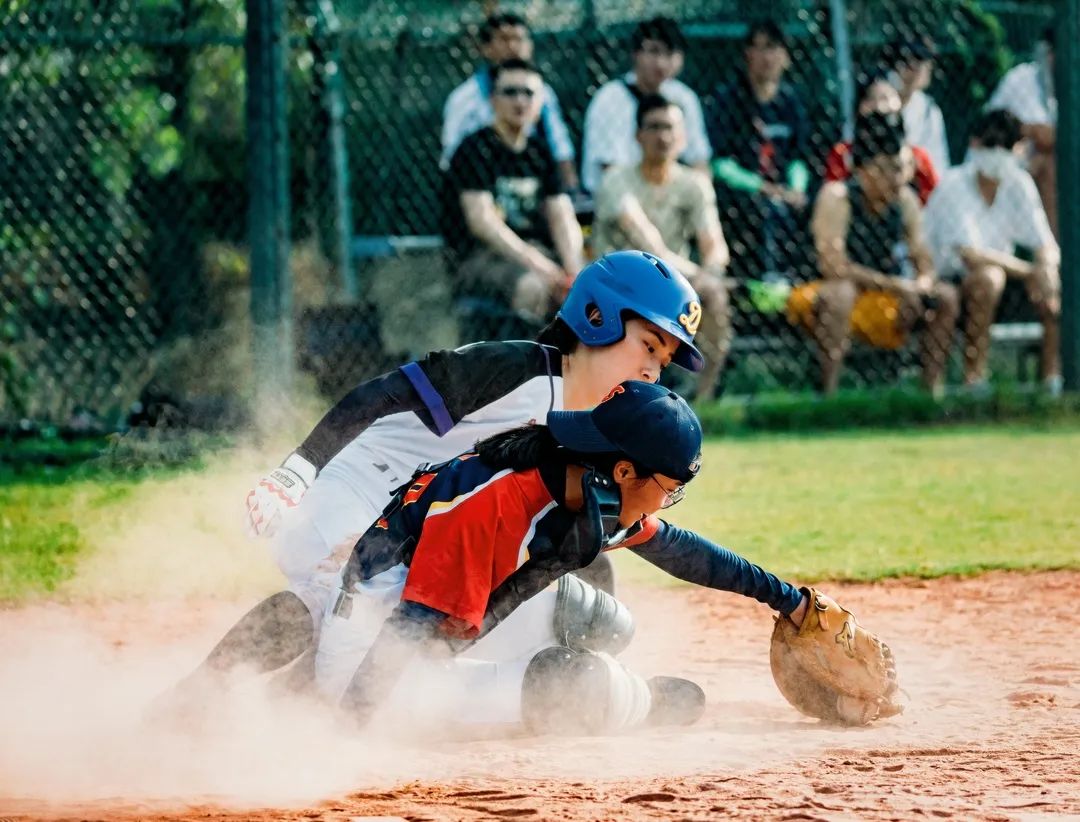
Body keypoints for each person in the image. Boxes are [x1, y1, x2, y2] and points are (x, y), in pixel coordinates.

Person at [191, 252, 704, 698]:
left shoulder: (605, 433)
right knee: (334, 589)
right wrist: (297, 472)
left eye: (665, 359)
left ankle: (290, 703)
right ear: (596, 317)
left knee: (383, 618)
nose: (655, 370)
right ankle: (198, 693)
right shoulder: (516, 370)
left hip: (420, 515)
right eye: (649, 344)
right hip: (355, 485)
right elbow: (379, 395)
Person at [314, 380, 813, 734]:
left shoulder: (578, 478)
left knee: (604, 622)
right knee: (583, 689)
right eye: (669, 489)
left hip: (431, 622)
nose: (666, 501)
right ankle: (632, 701)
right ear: (623, 470)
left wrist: (789, 600)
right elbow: (406, 631)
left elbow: (680, 550)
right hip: (371, 661)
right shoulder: (493, 505)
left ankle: (588, 686)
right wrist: (345, 733)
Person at [788, 112, 959, 394]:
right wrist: (898, 286)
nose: (897, 178)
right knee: (840, 293)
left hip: (883, 297)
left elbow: (923, 258)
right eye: (887, 169)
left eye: (901, 168)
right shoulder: (837, 197)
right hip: (820, 294)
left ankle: (931, 395)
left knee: (945, 297)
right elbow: (834, 267)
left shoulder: (905, 200)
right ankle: (827, 398)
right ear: (863, 171)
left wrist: (921, 286)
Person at [592, 94, 732, 400]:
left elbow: (716, 246)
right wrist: (698, 276)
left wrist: (710, 273)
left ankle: (703, 400)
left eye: (670, 128)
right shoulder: (616, 180)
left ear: (683, 137)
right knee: (705, 288)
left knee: (715, 295)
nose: (663, 136)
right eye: (654, 127)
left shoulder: (695, 184)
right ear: (638, 135)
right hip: (620, 283)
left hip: (676, 287)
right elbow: (649, 245)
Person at [924, 109, 1060, 393]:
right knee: (988, 278)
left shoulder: (1019, 184)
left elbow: (1045, 242)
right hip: (946, 279)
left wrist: (1046, 270)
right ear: (974, 144)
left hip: (1008, 279)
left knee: (1050, 288)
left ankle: (1053, 383)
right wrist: (1029, 271)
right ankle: (974, 380)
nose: (997, 152)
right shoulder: (953, 184)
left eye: (1005, 145)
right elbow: (969, 254)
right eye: (990, 144)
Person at [442, 59, 583, 322]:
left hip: (539, 253)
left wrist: (573, 271)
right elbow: (482, 223)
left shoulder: (541, 152)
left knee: (592, 289)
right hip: (481, 258)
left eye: (528, 93)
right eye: (510, 92)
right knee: (534, 288)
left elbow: (561, 215)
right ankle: (528, 364)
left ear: (540, 103)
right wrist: (539, 265)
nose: (520, 101)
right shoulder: (474, 150)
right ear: (493, 100)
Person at [705, 20, 810, 289]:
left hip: (785, 192)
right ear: (747, 55)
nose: (766, 56)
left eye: (773, 48)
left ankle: (797, 283)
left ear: (786, 57)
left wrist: (796, 189)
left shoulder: (792, 103)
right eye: (759, 48)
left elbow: (800, 157)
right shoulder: (726, 101)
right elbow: (720, 164)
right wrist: (763, 188)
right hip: (742, 195)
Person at [440, 12, 578, 192]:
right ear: (486, 48)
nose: (513, 47)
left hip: (535, 183)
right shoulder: (464, 98)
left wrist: (570, 194)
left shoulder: (544, 93)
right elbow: (452, 158)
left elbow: (561, 150)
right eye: (504, 40)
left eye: (519, 39)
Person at [580, 17, 711, 196]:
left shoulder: (685, 98)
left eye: (670, 53)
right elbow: (610, 172)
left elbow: (699, 162)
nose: (661, 63)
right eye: (654, 51)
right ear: (635, 54)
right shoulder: (610, 98)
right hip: (616, 200)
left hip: (669, 200)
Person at [824, 70, 939, 205]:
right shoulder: (842, 155)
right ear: (862, 106)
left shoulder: (918, 158)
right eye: (876, 98)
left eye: (890, 97)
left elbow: (935, 201)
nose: (885, 106)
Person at [987, 27, 1058, 237]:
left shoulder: (1069, 85)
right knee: (1048, 163)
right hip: (1006, 160)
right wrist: (1030, 130)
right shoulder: (1021, 78)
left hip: (1050, 164)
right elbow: (991, 126)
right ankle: (1061, 251)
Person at [888, 36, 951, 175]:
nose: (916, 67)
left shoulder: (929, 110)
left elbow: (939, 165)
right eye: (909, 60)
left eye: (923, 61)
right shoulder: (879, 98)